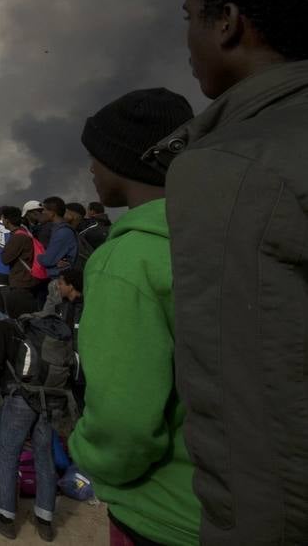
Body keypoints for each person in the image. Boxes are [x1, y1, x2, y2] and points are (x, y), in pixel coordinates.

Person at [149, 0, 308, 546]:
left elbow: (255, 423)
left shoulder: (232, 170)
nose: (186, 40)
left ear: (229, 22)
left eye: (191, 18)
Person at [68, 87, 199, 546]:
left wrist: (84, 452)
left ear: (125, 160)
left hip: (158, 513)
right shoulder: (219, 235)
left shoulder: (125, 261)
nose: (90, 168)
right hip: (233, 500)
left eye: (96, 156)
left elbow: (124, 426)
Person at [0, 276, 85, 543]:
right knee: (44, 456)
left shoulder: (7, 327)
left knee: (8, 454)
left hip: (22, 398)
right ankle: (45, 520)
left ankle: (5, 518)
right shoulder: (51, 326)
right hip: (52, 400)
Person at [0, 207, 39, 319]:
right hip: (26, 281)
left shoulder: (18, 237)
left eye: (2, 219)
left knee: (21, 317)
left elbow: (5, 258)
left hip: (21, 283)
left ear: (7, 220)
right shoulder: (24, 232)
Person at [36, 196, 79, 281]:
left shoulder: (62, 232)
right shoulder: (57, 230)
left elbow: (48, 260)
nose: (42, 213)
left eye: (44, 210)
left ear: (52, 213)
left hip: (61, 280)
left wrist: (38, 257)